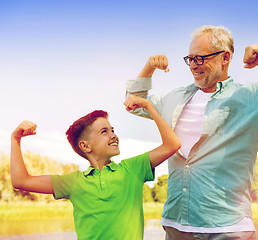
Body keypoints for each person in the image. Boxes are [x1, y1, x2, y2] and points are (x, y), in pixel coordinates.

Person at [125, 25, 258, 239]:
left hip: (229, 229)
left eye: (200, 59)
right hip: (176, 226)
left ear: (225, 58)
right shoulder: (173, 98)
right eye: (190, 59)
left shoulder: (252, 96)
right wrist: (148, 67)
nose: (193, 66)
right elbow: (133, 103)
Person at [10, 95, 181, 240]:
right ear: (85, 146)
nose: (113, 135)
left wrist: (149, 106)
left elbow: (172, 144)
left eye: (112, 129)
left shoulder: (132, 169)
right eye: (104, 131)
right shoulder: (73, 182)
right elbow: (21, 181)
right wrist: (15, 139)